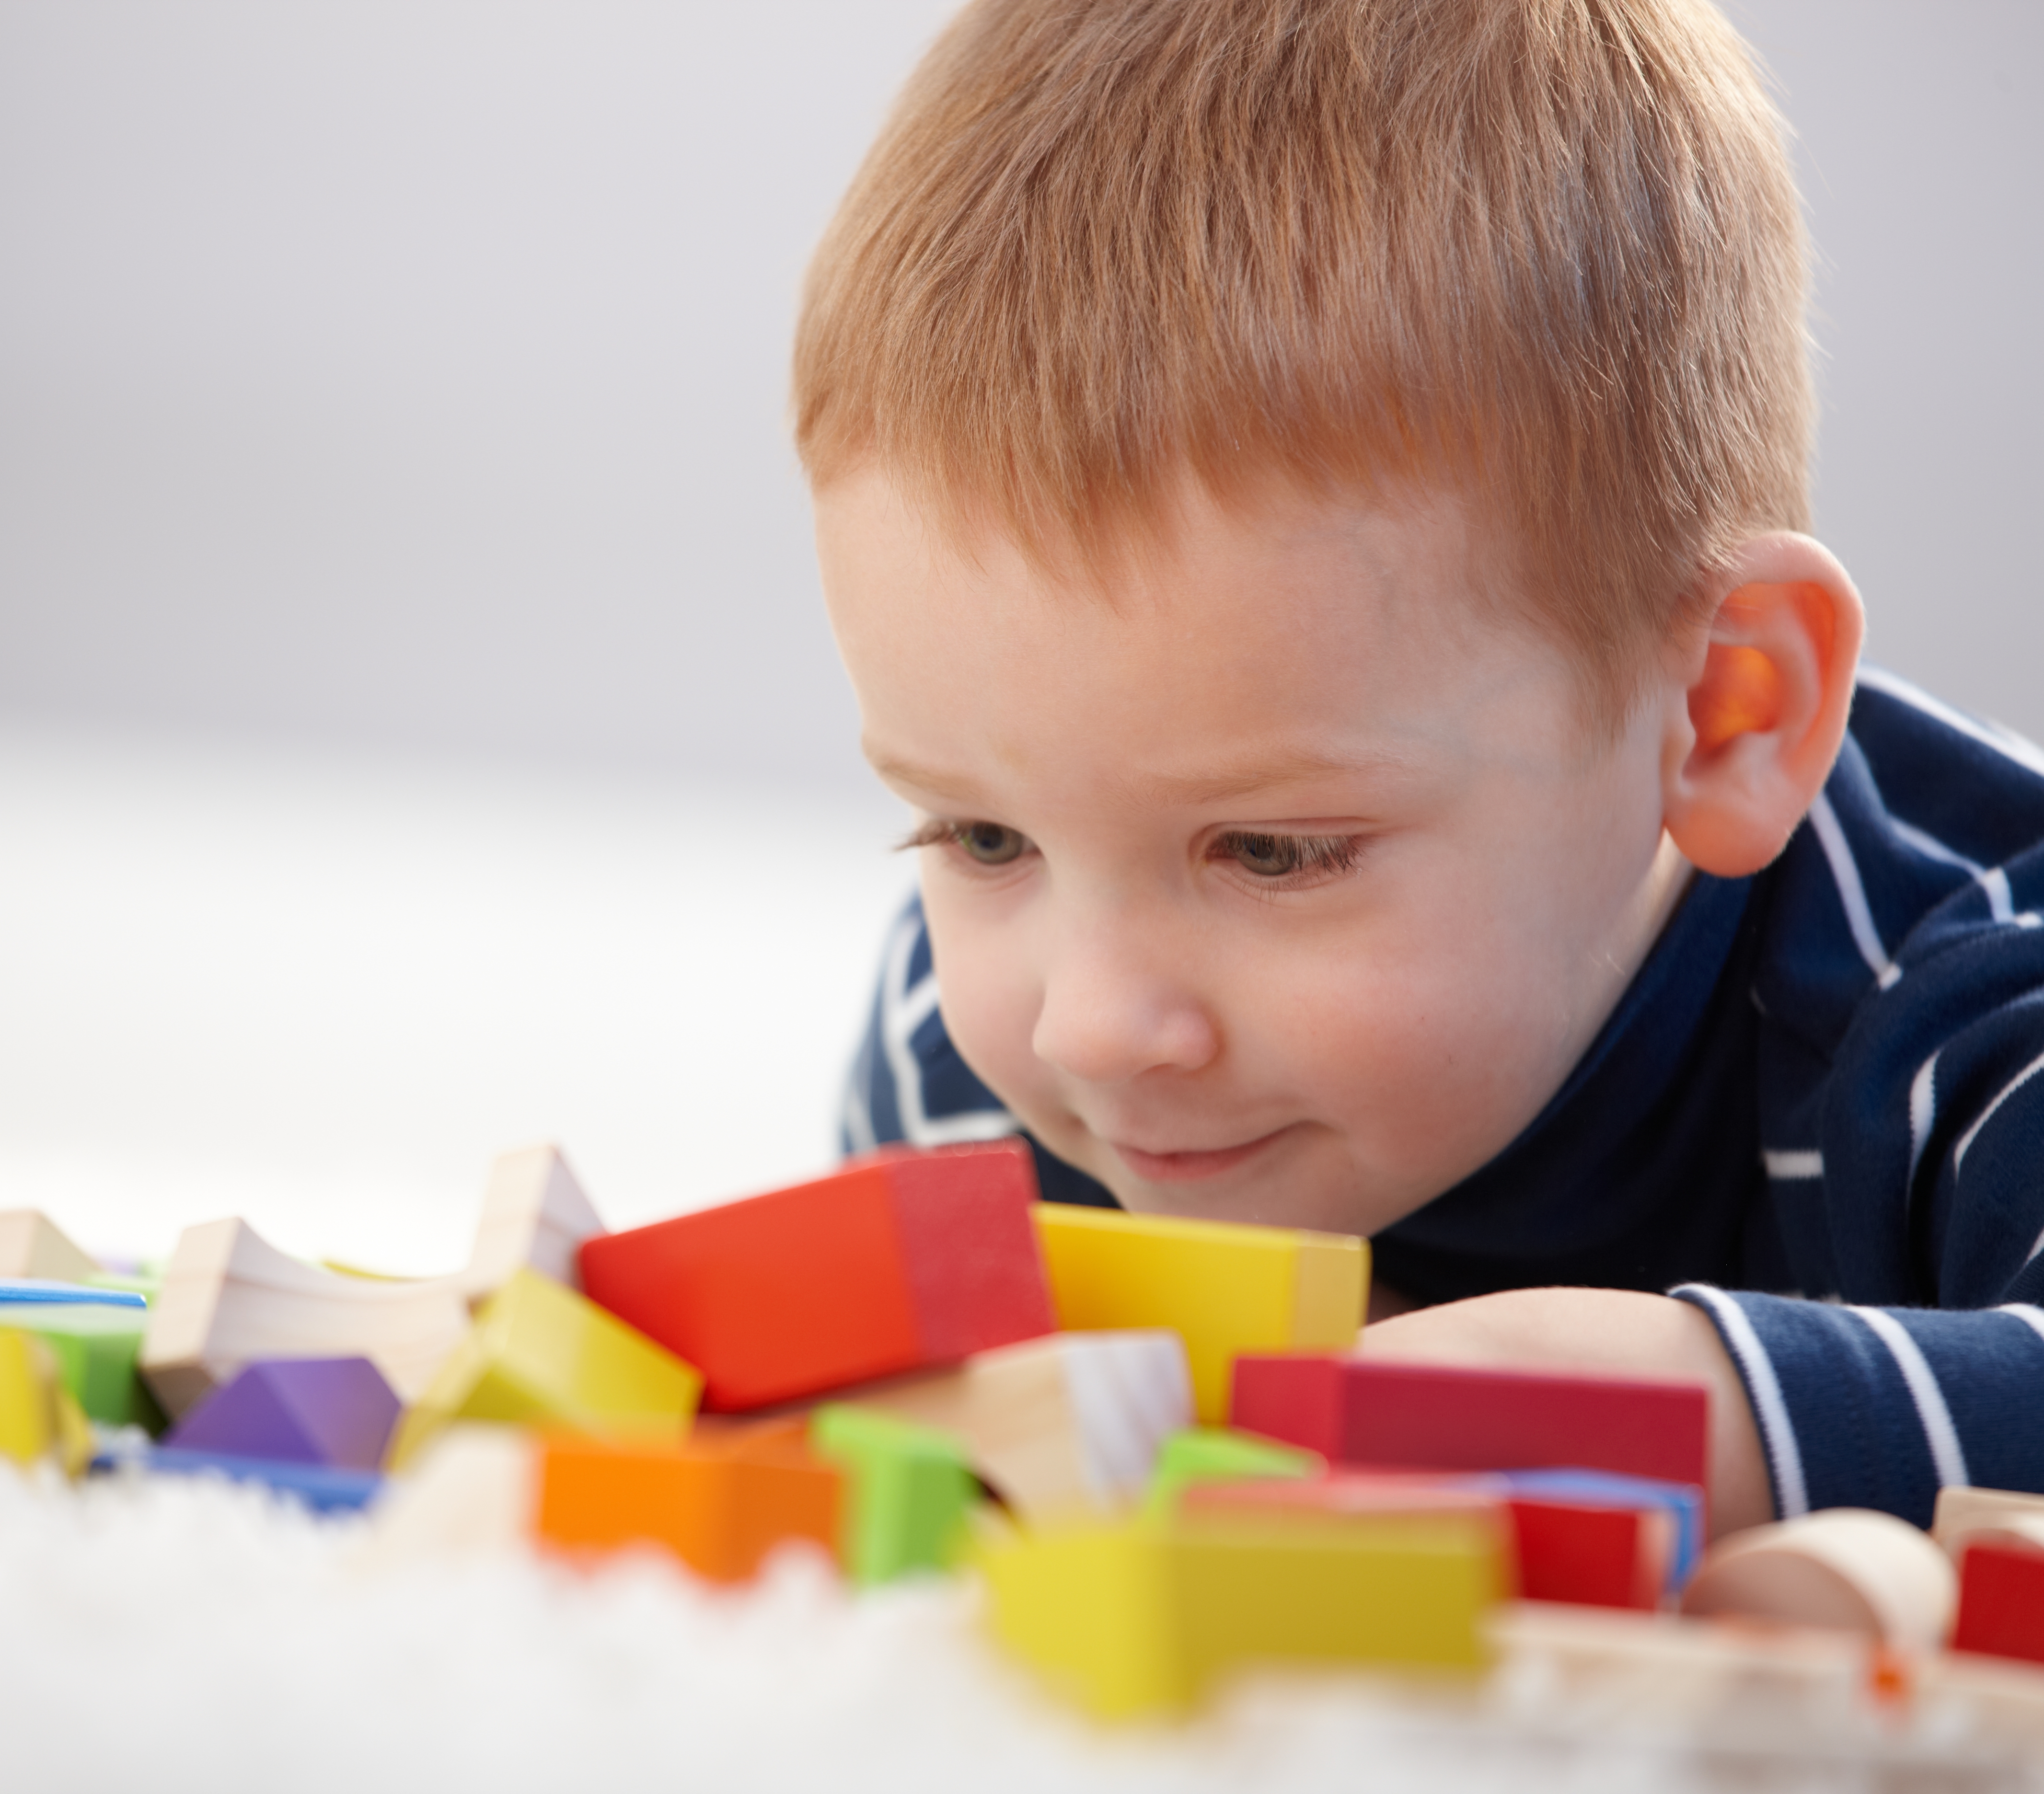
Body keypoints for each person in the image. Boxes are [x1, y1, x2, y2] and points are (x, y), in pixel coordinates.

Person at [800, 0, 2044, 1542]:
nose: (1095, 1026)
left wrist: (1692, 1405)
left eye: (1269, 852)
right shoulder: (959, 1064)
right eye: (982, 837)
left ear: (1721, 715)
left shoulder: (1972, 995)